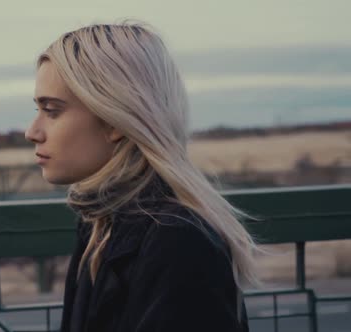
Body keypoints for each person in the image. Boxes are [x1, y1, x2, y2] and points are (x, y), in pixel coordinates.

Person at [25, 21, 258, 332]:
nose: (32, 132)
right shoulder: (103, 224)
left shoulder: (177, 242)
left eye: (52, 111)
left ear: (114, 119)